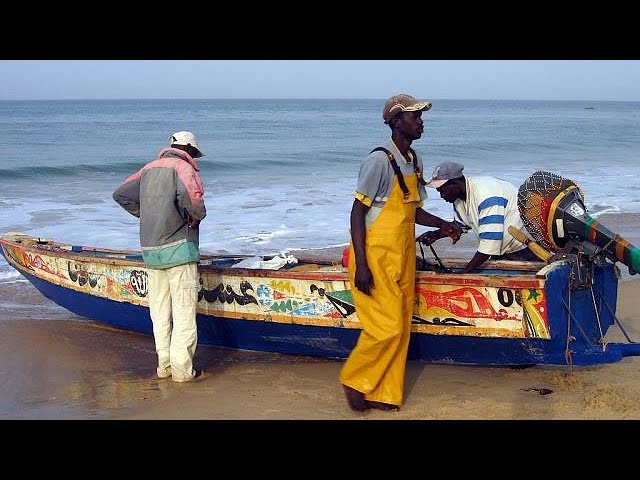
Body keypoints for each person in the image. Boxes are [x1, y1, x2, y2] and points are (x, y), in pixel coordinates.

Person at [340, 94, 462, 412]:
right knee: (387, 326)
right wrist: (362, 265)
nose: (421, 121)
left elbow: (413, 210)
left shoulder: (414, 160)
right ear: (396, 121)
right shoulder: (378, 161)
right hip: (375, 256)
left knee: (401, 327)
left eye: (421, 116)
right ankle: (355, 379)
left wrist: (444, 225)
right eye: (414, 116)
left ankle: (381, 393)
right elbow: (356, 213)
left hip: (403, 255)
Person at [113, 131, 207, 382]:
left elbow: (120, 194)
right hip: (179, 250)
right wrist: (194, 217)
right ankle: (182, 372)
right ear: (189, 150)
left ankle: (163, 367)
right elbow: (195, 203)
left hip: (151, 252)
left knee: (160, 312)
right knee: (184, 312)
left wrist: (146, 214)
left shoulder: (147, 169)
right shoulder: (184, 168)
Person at [417, 161, 538, 273]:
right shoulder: (459, 199)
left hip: (525, 251)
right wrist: (436, 235)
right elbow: (460, 226)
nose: (442, 195)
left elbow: (489, 244)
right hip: (506, 252)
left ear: (455, 183)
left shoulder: (486, 195)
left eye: (443, 190)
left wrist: (464, 273)